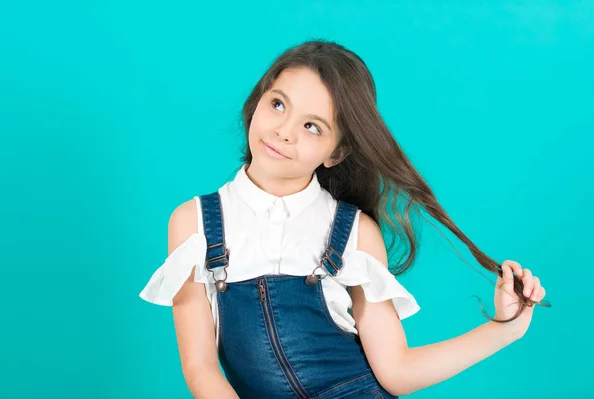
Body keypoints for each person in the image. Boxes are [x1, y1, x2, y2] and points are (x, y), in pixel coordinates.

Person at [139, 39, 549, 398]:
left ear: (336, 153)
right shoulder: (193, 222)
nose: (284, 131)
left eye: (313, 127)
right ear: (256, 103)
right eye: (278, 104)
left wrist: (504, 328)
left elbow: (396, 372)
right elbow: (200, 366)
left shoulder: (354, 231)